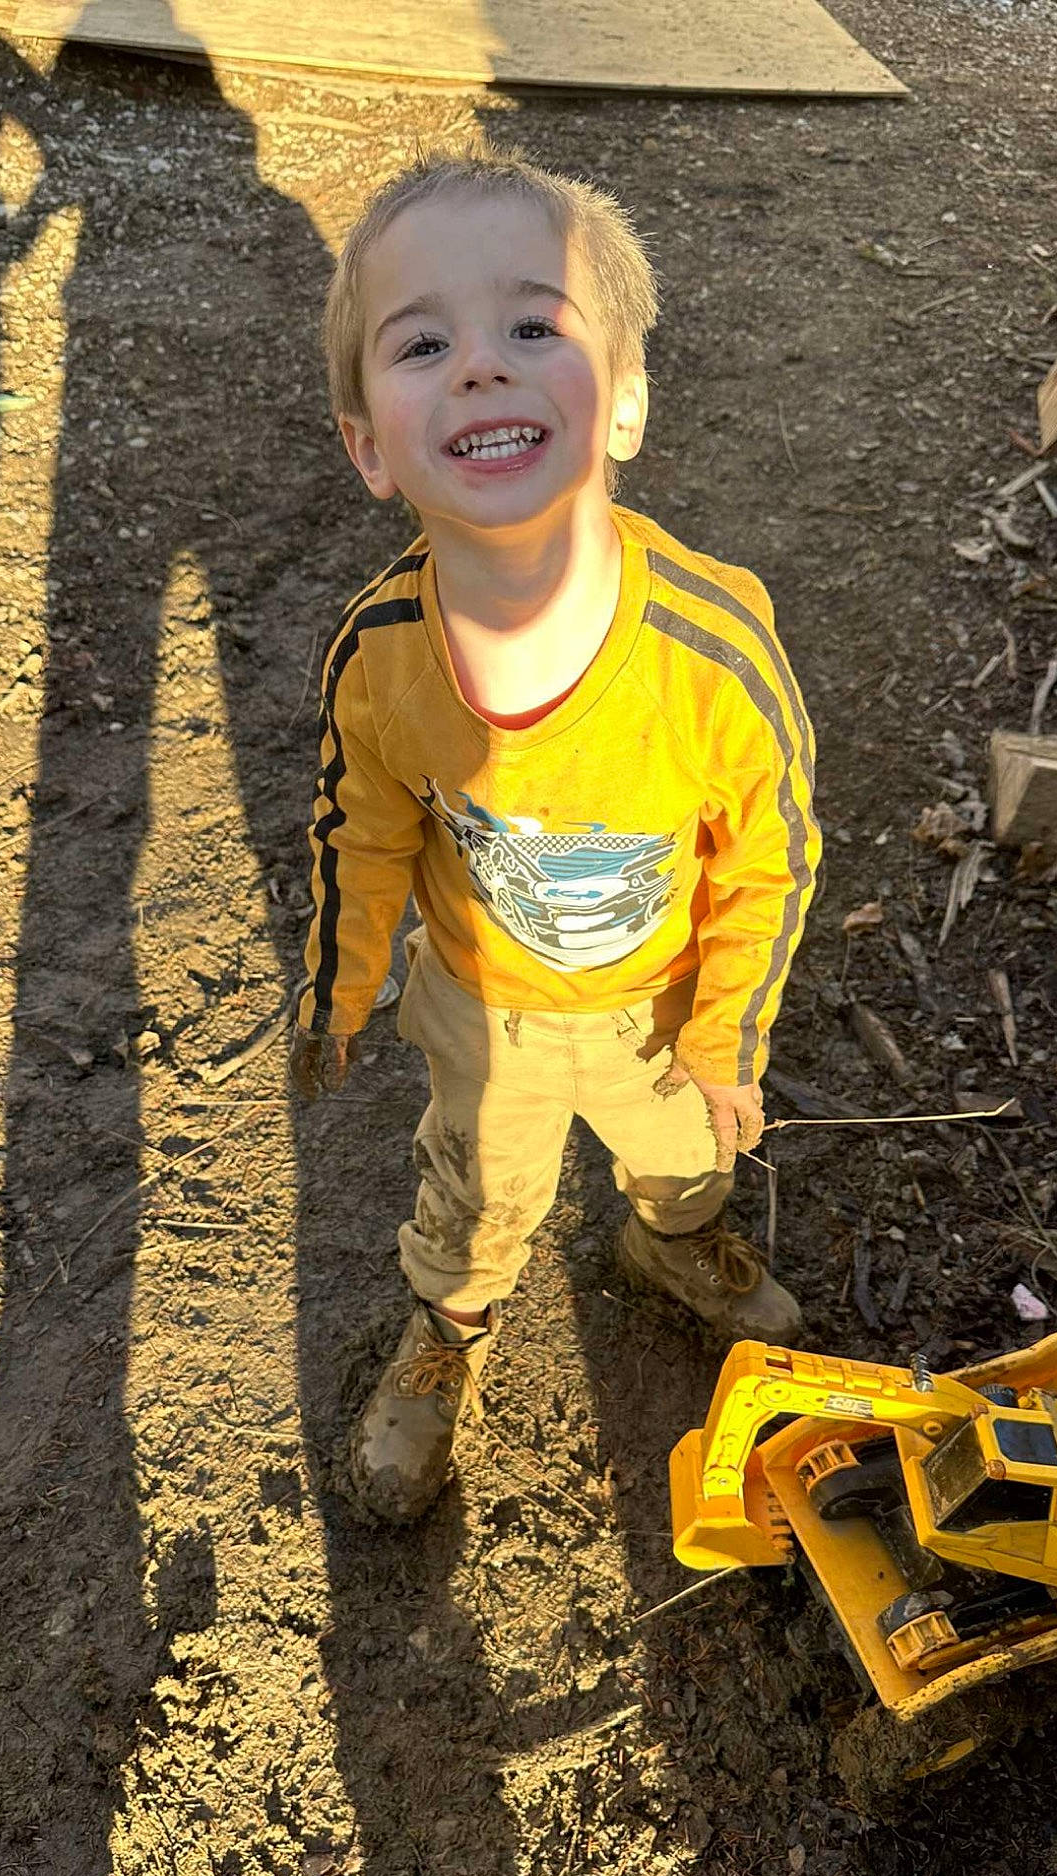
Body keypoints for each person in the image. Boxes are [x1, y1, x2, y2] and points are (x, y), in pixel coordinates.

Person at [293, 149, 821, 1522]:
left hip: (662, 1005)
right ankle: (448, 1336)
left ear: (629, 397)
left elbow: (772, 854)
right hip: (487, 1013)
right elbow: (362, 834)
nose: (482, 366)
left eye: (536, 325)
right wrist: (346, 984)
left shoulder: (714, 654)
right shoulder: (381, 657)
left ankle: (675, 1247)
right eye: (425, 344)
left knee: (685, 1161)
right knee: (472, 1200)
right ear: (367, 443)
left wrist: (725, 1034)